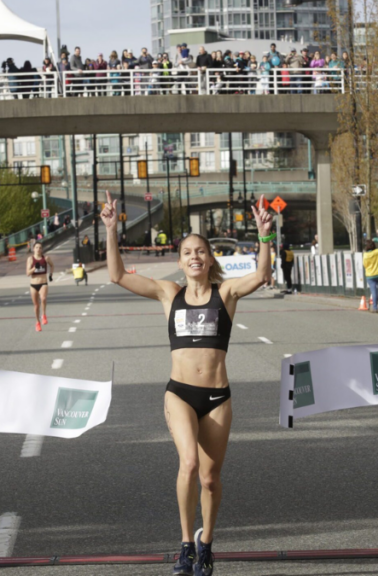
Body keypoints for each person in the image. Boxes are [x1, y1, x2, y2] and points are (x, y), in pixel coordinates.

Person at [100, 191, 274, 576]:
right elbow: (116, 275)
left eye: (201, 251)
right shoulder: (169, 293)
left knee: (211, 479)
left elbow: (262, 276)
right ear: (179, 262)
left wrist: (264, 236)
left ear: (210, 259)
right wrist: (111, 229)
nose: (195, 256)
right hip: (179, 393)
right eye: (187, 252)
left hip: (217, 397)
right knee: (190, 464)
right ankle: (183, 545)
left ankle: (206, 545)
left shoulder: (225, 294)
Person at [27, 243, 54, 332]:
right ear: (33, 249)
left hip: (43, 283)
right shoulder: (30, 259)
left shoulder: (46, 258)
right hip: (33, 284)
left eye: (40, 248)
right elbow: (27, 273)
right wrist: (34, 268)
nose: (38, 249)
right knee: (36, 305)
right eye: (36, 247)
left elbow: (52, 265)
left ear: (42, 249)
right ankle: (37, 322)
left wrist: (50, 275)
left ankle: (44, 315)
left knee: (43, 298)